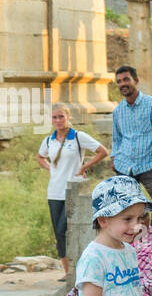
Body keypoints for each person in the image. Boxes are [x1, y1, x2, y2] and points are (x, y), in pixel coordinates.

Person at [37, 105, 108, 277]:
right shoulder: (48, 140)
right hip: (54, 191)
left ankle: (83, 268)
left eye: (61, 116)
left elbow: (102, 151)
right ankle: (68, 272)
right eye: (54, 117)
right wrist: (50, 169)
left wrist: (84, 167)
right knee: (59, 232)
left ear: (68, 117)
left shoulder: (78, 137)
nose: (58, 120)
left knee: (73, 229)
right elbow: (40, 156)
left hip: (73, 190)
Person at [110, 65, 152, 228]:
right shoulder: (118, 111)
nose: (123, 84)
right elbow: (117, 138)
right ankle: (131, 237)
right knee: (128, 205)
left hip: (148, 164)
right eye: (119, 81)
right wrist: (114, 158)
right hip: (124, 165)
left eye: (126, 79)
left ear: (135, 80)